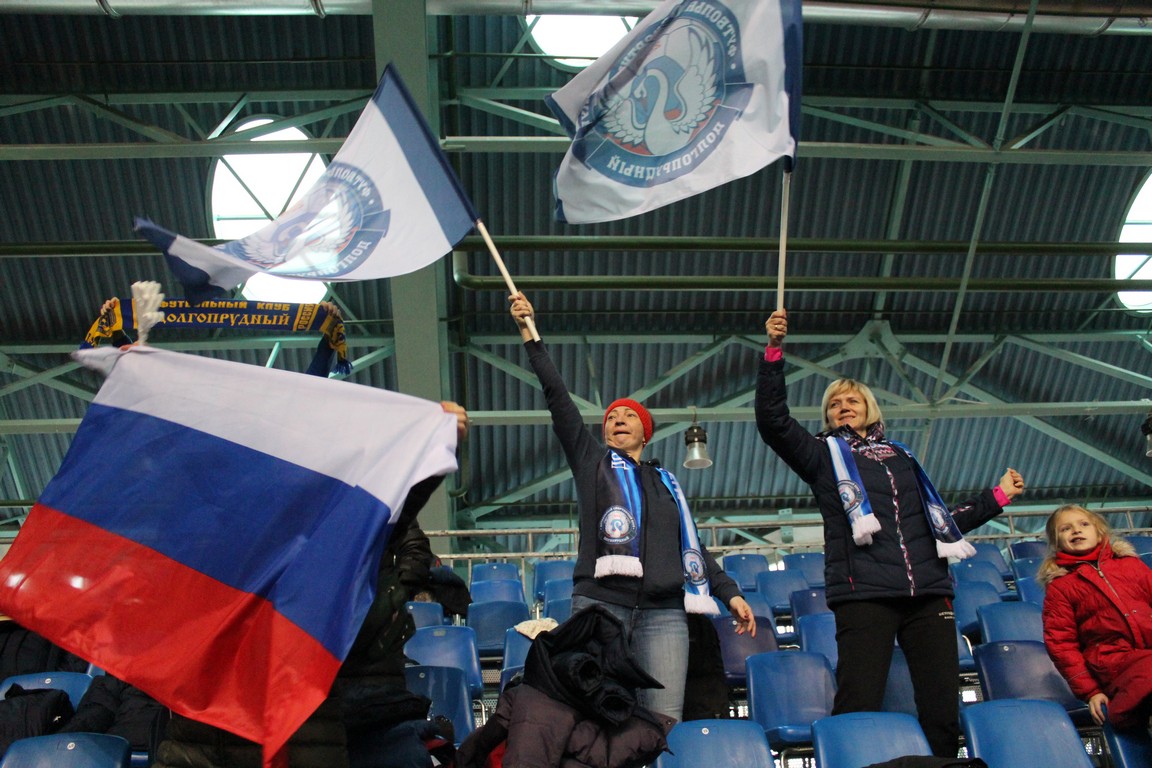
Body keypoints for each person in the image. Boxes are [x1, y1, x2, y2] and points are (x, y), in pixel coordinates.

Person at [754, 308, 1025, 757]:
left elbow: (939, 521)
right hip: (864, 592)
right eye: (835, 403)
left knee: (942, 707)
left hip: (928, 592)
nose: (844, 406)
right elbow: (773, 421)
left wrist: (997, 497)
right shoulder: (822, 456)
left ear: (869, 409)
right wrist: (774, 353)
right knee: (858, 701)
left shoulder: (901, 456)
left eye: (852, 400)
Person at [509, 291, 755, 722]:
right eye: (611, 417)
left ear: (646, 432)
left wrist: (730, 593)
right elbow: (558, 399)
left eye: (628, 416)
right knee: (600, 720)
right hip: (601, 607)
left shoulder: (668, 485)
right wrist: (531, 336)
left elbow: (692, 551)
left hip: (665, 615)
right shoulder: (593, 463)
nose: (617, 419)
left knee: (663, 723)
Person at [1040, 504, 1152, 731]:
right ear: (1056, 543)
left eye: (1084, 524)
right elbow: (1062, 645)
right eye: (1065, 529)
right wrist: (1090, 691)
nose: (1076, 530)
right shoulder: (1061, 587)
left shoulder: (1131, 565)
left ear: (1100, 532)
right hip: (1114, 665)